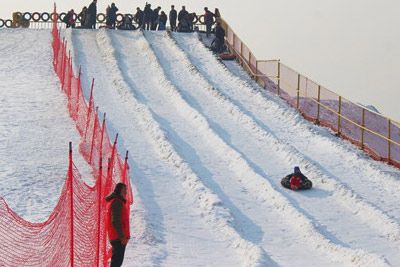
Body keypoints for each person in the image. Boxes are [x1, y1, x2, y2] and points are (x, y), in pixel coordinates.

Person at [106, 183, 130, 267]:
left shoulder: (118, 201)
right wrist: (122, 236)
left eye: (126, 191)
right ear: (119, 191)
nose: (126, 193)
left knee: (117, 262)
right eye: (124, 191)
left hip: (118, 237)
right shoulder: (117, 202)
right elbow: (115, 221)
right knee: (116, 263)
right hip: (118, 238)